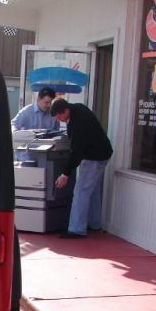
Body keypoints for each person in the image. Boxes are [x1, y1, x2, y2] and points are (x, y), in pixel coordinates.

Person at [50, 98, 113, 238]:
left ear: (65, 111)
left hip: (93, 158)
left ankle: (76, 229)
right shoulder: (79, 108)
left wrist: (65, 174)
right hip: (103, 153)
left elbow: (76, 152)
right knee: (93, 190)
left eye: (59, 116)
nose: (59, 120)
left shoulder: (77, 124)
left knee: (81, 191)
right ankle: (95, 224)